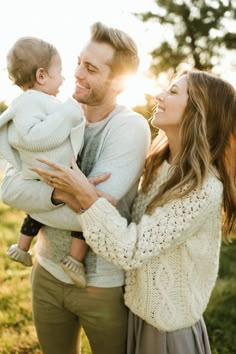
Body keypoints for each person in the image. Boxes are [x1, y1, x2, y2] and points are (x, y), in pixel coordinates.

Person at [31, 70, 236, 354]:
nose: (159, 95)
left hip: (168, 331)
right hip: (139, 315)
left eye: (173, 92)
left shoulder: (202, 188)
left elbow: (131, 250)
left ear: (200, 111)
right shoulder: (159, 164)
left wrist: (86, 196)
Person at [1, 22, 151, 354]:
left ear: (117, 81)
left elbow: (98, 212)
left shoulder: (129, 128)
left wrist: (44, 201)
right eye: (79, 61)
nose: (76, 73)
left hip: (102, 285)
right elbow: (9, 189)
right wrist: (61, 193)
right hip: (46, 273)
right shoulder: (50, 115)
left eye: (91, 68)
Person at [0, 36, 90, 287]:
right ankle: (74, 260)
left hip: (50, 171)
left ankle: (23, 247)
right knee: (85, 213)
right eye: (59, 72)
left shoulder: (41, 101)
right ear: (41, 76)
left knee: (39, 210)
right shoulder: (30, 101)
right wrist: (70, 113)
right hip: (51, 170)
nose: (64, 78)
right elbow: (35, 138)